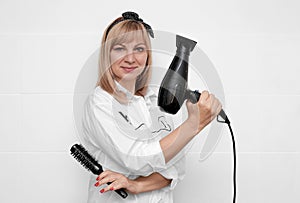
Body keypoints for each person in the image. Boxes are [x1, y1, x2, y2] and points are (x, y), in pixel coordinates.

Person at [80, 11, 222, 202]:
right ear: (107, 54)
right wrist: (193, 124)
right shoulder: (100, 102)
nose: (131, 58)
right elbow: (136, 159)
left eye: (139, 49)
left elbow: (175, 167)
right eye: (120, 48)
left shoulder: (156, 101)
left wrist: (136, 185)